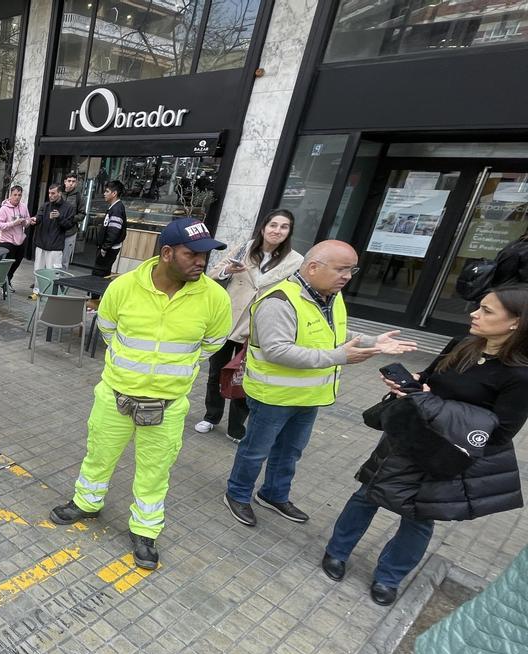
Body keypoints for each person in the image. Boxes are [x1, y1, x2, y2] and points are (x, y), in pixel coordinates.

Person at [323, 284, 528, 606]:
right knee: (366, 495)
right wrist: (412, 384)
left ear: (516, 322)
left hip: (445, 454)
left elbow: (499, 433)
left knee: (420, 517)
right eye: (479, 306)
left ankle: (388, 577)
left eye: (487, 311)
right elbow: (431, 378)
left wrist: (434, 407)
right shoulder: (463, 344)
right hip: (406, 435)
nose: (474, 314)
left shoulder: (519, 375)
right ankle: (336, 552)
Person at [48, 217, 233, 569]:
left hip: (168, 405)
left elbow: (211, 344)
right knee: (98, 456)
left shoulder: (215, 298)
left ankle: (145, 529)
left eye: (205, 256)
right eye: (192, 254)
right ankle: (86, 503)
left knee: (155, 471)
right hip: (115, 397)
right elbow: (108, 328)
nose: (201, 262)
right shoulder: (123, 287)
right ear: (166, 253)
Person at [223, 241, 417, 528]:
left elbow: (336, 331)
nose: (348, 276)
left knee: (290, 451)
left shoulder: (330, 296)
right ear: (313, 268)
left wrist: (374, 341)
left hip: (310, 396)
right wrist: (341, 356)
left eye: (352, 270)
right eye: (341, 269)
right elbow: (279, 351)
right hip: (273, 397)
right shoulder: (279, 301)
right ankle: (237, 494)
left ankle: (274, 494)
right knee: (256, 450)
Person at [196, 209, 304, 442]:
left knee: (245, 378)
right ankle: (211, 416)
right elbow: (214, 273)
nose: (277, 230)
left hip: (260, 326)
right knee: (216, 372)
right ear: (264, 227)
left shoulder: (296, 261)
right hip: (230, 321)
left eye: (284, 227)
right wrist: (227, 270)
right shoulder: (246, 248)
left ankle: (237, 427)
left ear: (289, 232)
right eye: (273, 225)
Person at [28, 183, 76, 295]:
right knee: (38, 270)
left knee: (53, 272)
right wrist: (35, 220)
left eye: (53, 193)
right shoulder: (45, 206)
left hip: (55, 246)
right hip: (41, 243)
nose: (50, 195)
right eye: (49, 193)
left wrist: (59, 218)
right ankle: (36, 291)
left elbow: (69, 225)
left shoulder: (68, 208)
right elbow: (38, 217)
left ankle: (51, 293)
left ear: (59, 193)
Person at [0, 185, 31, 290]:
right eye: (15, 195)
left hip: (20, 240)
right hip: (7, 240)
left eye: (19, 195)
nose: (17, 197)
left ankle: (7, 280)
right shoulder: (4, 209)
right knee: (8, 264)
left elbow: (28, 221)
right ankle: (4, 283)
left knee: (17, 262)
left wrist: (25, 222)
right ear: (10, 195)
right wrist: (13, 223)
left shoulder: (23, 207)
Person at [90, 180, 126, 277]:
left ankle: (97, 293)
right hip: (108, 248)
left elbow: (113, 231)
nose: (104, 194)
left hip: (109, 249)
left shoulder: (117, 209)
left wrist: (105, 248)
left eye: (107, 191)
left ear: (114, 193)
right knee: (101, 274)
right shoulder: (114, 207)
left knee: (99, 275)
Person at [61, 173, 84, 269]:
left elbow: (82, 214)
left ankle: (60, 282)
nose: (71, 183)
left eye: (73, 181)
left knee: (64, 261)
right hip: (57, 231)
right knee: (54, 258)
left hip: (70, 232)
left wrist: (72, 219)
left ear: (76, 183)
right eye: (69, 181)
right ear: (65, 182)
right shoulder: (59, 193)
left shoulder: (78, 197)